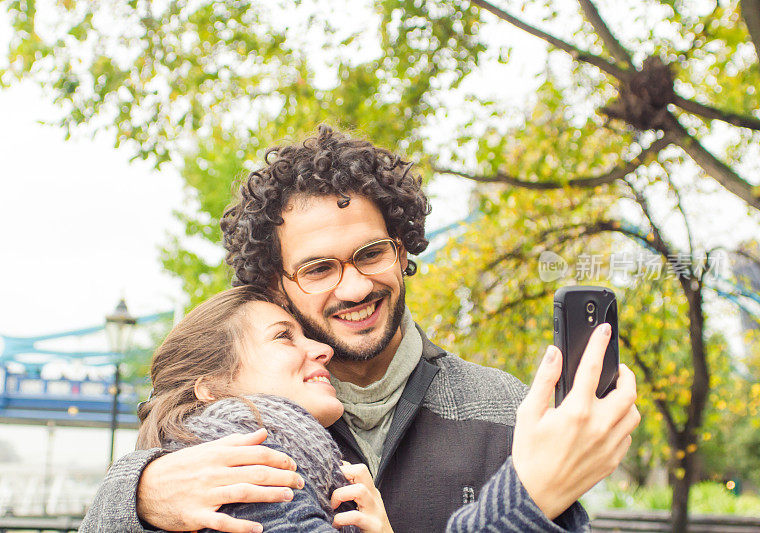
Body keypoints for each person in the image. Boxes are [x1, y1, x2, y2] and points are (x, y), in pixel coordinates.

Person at [84, 125, 640, 532]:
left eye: (370, 254)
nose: (353, 288)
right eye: (319, 268)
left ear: (401, 251)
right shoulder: (232, 424)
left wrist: (534, 499)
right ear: (276, 284)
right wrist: (140, 496)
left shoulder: (507, 408)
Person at [82, 285, 393, 532]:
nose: (324, 350)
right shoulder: (243, 462)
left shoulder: (305, 456)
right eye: (283, 336)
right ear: (212, 388)